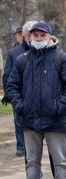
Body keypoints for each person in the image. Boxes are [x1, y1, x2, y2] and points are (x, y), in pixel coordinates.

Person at [6, 22, 66, 179]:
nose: (38, 39)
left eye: (42, 35)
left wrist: (58, 107)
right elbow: (12, 86)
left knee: (60, 162)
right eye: (35, 35)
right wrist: (21, 107)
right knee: (32, 162)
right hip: (29, 120)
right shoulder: (22, 60)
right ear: (29, 37)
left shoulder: (61, 58)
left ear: (49, 36)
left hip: (55, 121)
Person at [5, 22, 34, 156]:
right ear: (24, 36)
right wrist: (10, 95)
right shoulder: (13, 53)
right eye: (30, 35)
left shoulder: (44, 50)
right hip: (19, 95)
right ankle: (21, 146)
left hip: (36, 95)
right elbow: (7, 76)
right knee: (19, 122)